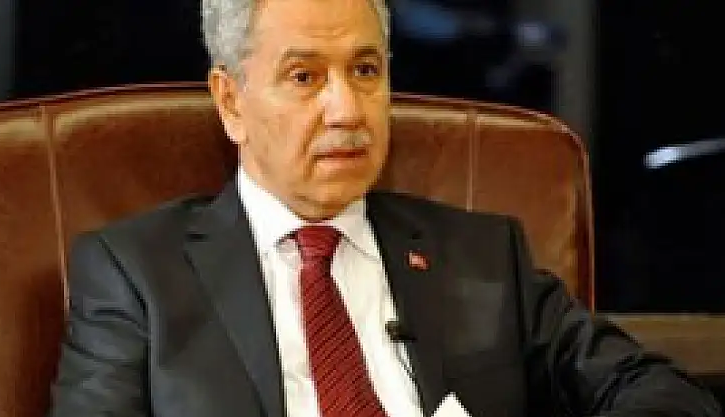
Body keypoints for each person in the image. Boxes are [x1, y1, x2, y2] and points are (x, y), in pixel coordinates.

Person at [47, 0, 722, 416]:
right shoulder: (138, 274)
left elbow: (660, 393)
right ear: (231, 102)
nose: (346, 109)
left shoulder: (482, 257)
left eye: (365, 70)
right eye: (305, 76)